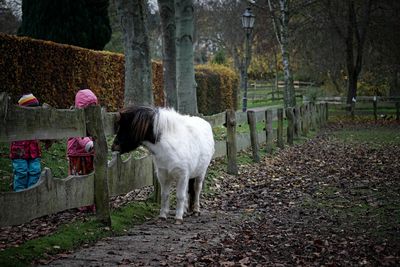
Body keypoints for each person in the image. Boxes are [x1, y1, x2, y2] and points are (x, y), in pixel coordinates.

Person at [67, 89, 97, 212]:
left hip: (89, 153)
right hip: (77, 153)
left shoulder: (92, 119)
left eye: (93, 107)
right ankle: (78, 202)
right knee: (78, 177)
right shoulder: (77, 119)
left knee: (90, 176)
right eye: (88, 107)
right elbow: (79, 135)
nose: (90, 110)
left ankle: (90, 201)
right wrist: (89, 144)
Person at [10, 93, 43, 191]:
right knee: (21, 173)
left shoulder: (37, 122)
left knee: (35, 172)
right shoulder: (16, 121)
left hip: (34, 153)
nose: (33, 112)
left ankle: (31, 194)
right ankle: (19, 197)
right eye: (31, 109)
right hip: (19, 153)